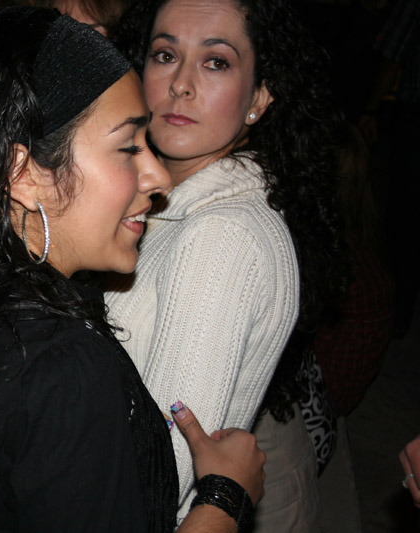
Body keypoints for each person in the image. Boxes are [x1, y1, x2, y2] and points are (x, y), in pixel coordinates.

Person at [0, 6, 265, 532]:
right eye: (128, 147)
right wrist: (224, 497)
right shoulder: (58, 369)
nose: (157, 177)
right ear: (24, 173)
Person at [106, 0, 346, 530]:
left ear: (259, 97)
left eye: (216, 62)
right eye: (165, 54)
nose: (181, 84)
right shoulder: (177, 203)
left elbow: (161, 476)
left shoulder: (221, 238)